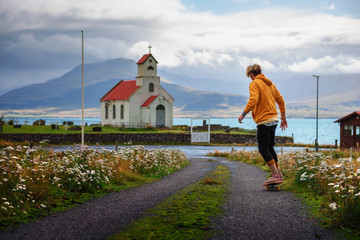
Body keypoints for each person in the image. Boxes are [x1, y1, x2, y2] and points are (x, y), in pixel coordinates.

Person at [238, 64, 288, 186]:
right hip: (274, 120)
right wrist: (283, 118)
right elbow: (281, 100)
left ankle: (275, 176)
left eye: (249, 76)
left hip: (264, 121)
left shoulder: (254, 83)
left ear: (251, 74)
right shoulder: (271, 84)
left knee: (263, 148)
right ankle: (278, 174)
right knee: (270, 148)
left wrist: (243, 114)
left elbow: (253, 100)